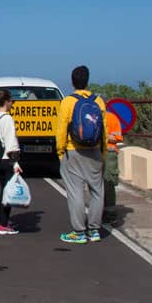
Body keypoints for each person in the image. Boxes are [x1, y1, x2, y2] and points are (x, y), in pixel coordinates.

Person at [56, 65, 107, 244]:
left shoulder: (68, 102)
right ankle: (94, 230)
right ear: (87, 81)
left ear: (72, 82)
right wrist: (103, 152)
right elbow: (104, 130)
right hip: (94, 151)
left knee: (75, 191)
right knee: (97, 191)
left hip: (73, 150)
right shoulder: (99, 101)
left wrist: (60, 151)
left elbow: (61, 129)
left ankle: (79, 232)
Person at [0, 89, 23, 235]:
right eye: (11, 101)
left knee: (3, 191)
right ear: (6, 102)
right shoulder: (7, 119)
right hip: (6, 159)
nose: (12, 104)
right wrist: (16, 163)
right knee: (8, 194)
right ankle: (3, 224)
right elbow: (11, 143)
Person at [103, 107, 124, 222]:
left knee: (108, 183)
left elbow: (117, 138)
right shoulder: (110, 117)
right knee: (101, 184)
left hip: (107, 153)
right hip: (98, 153)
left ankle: (109, 213)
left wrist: (103, 136)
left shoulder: (111, 118)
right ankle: (103, 212)